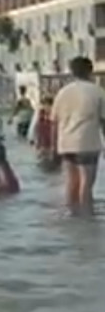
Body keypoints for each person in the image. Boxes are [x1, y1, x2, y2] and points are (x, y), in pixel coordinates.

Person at [51, 56, 105, 213]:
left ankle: (72, 216)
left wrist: (54, 148)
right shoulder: (97, 92)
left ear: (72, 71)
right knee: (86, 185)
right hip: (87, 144)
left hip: (66, 144)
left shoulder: (62, 93)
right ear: (90, 71)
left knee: (71, 183)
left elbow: (54, 122)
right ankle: (87, 220)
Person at [29, 94, 58, 171]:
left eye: (49, 105)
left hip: (52, 141)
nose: (47, 107)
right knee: (42, 158)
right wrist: (31, 138)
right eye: (45, 104)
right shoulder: (39, 113)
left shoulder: (56, 113)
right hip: (42, 141)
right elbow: (33, 126)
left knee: (53, 159)